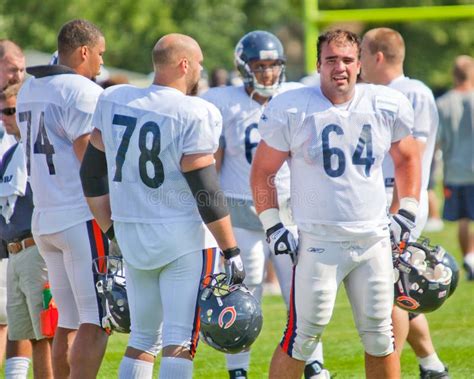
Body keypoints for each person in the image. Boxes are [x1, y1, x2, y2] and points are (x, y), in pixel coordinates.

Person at [251, 29, 421, 379]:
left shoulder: (384, 103)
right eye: (331, 60)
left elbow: (407, 158)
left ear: (360, 65)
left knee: (380, 337)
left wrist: (408, 210)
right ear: (318, 65)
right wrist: (273, 225)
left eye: (346, 60)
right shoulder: (293, 106)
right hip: (319, 242)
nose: (339, 68)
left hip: (372, 239)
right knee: (301, 338)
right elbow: (262, 172)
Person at [79, 33, 245, 379]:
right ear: (184, 64)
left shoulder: (115, 99)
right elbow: (206, 191)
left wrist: (111, 230)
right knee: (178, 340)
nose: (200, 70)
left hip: (131, 231)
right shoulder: (194, 111)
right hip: (180, 237)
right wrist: (231, 249)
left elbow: (91, 176)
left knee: (141, 338)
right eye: (198, 63)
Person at [202, 30, 328, 379]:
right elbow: (213, 159)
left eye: (274, 65)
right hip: (241, 211)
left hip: (288, 209)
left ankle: (313, 361)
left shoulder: (295, 96)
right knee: (244, 290)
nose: (269, 73)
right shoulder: (222, 100)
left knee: (301, 291)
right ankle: (238, 369)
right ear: (244, 67)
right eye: (260, 66)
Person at [15, 19, 109, 378]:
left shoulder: (30, 88)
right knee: (96, 321)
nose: (102, 62)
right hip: (78, 215)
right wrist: (111, 220)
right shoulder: (82, 91)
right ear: (83, 51)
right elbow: (91, 164)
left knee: (68, 320)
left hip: (45, 216)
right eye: (99, 54)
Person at [360, 27, 449, 379]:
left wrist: (400, 212)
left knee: (389, 292)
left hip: (399, 204)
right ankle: (432, 366)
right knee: (399, 290)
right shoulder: (380, 92)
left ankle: (391, 365)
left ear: (378, 56)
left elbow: (410, 158)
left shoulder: (411, 92)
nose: (359, 64)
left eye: (363, 55)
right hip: (385, 203)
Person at [0, 84, 53, 378]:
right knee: (28, 335)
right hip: (14, 252)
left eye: (11, 111)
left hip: (37, 249)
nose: (5, 118)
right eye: (2, 112)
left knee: (47, 333)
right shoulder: (10, 155)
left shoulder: (40, 150)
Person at [0, 39, 29, 376]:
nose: (19, 75)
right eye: (12, 68)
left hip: (18, 224)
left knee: (15, 317)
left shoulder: (27, 104)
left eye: (22, 69)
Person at [436, 55, 474, 280]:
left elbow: (438, 139)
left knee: (462, 219)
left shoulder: (442, 103)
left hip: (454, 170)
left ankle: (468, 257)